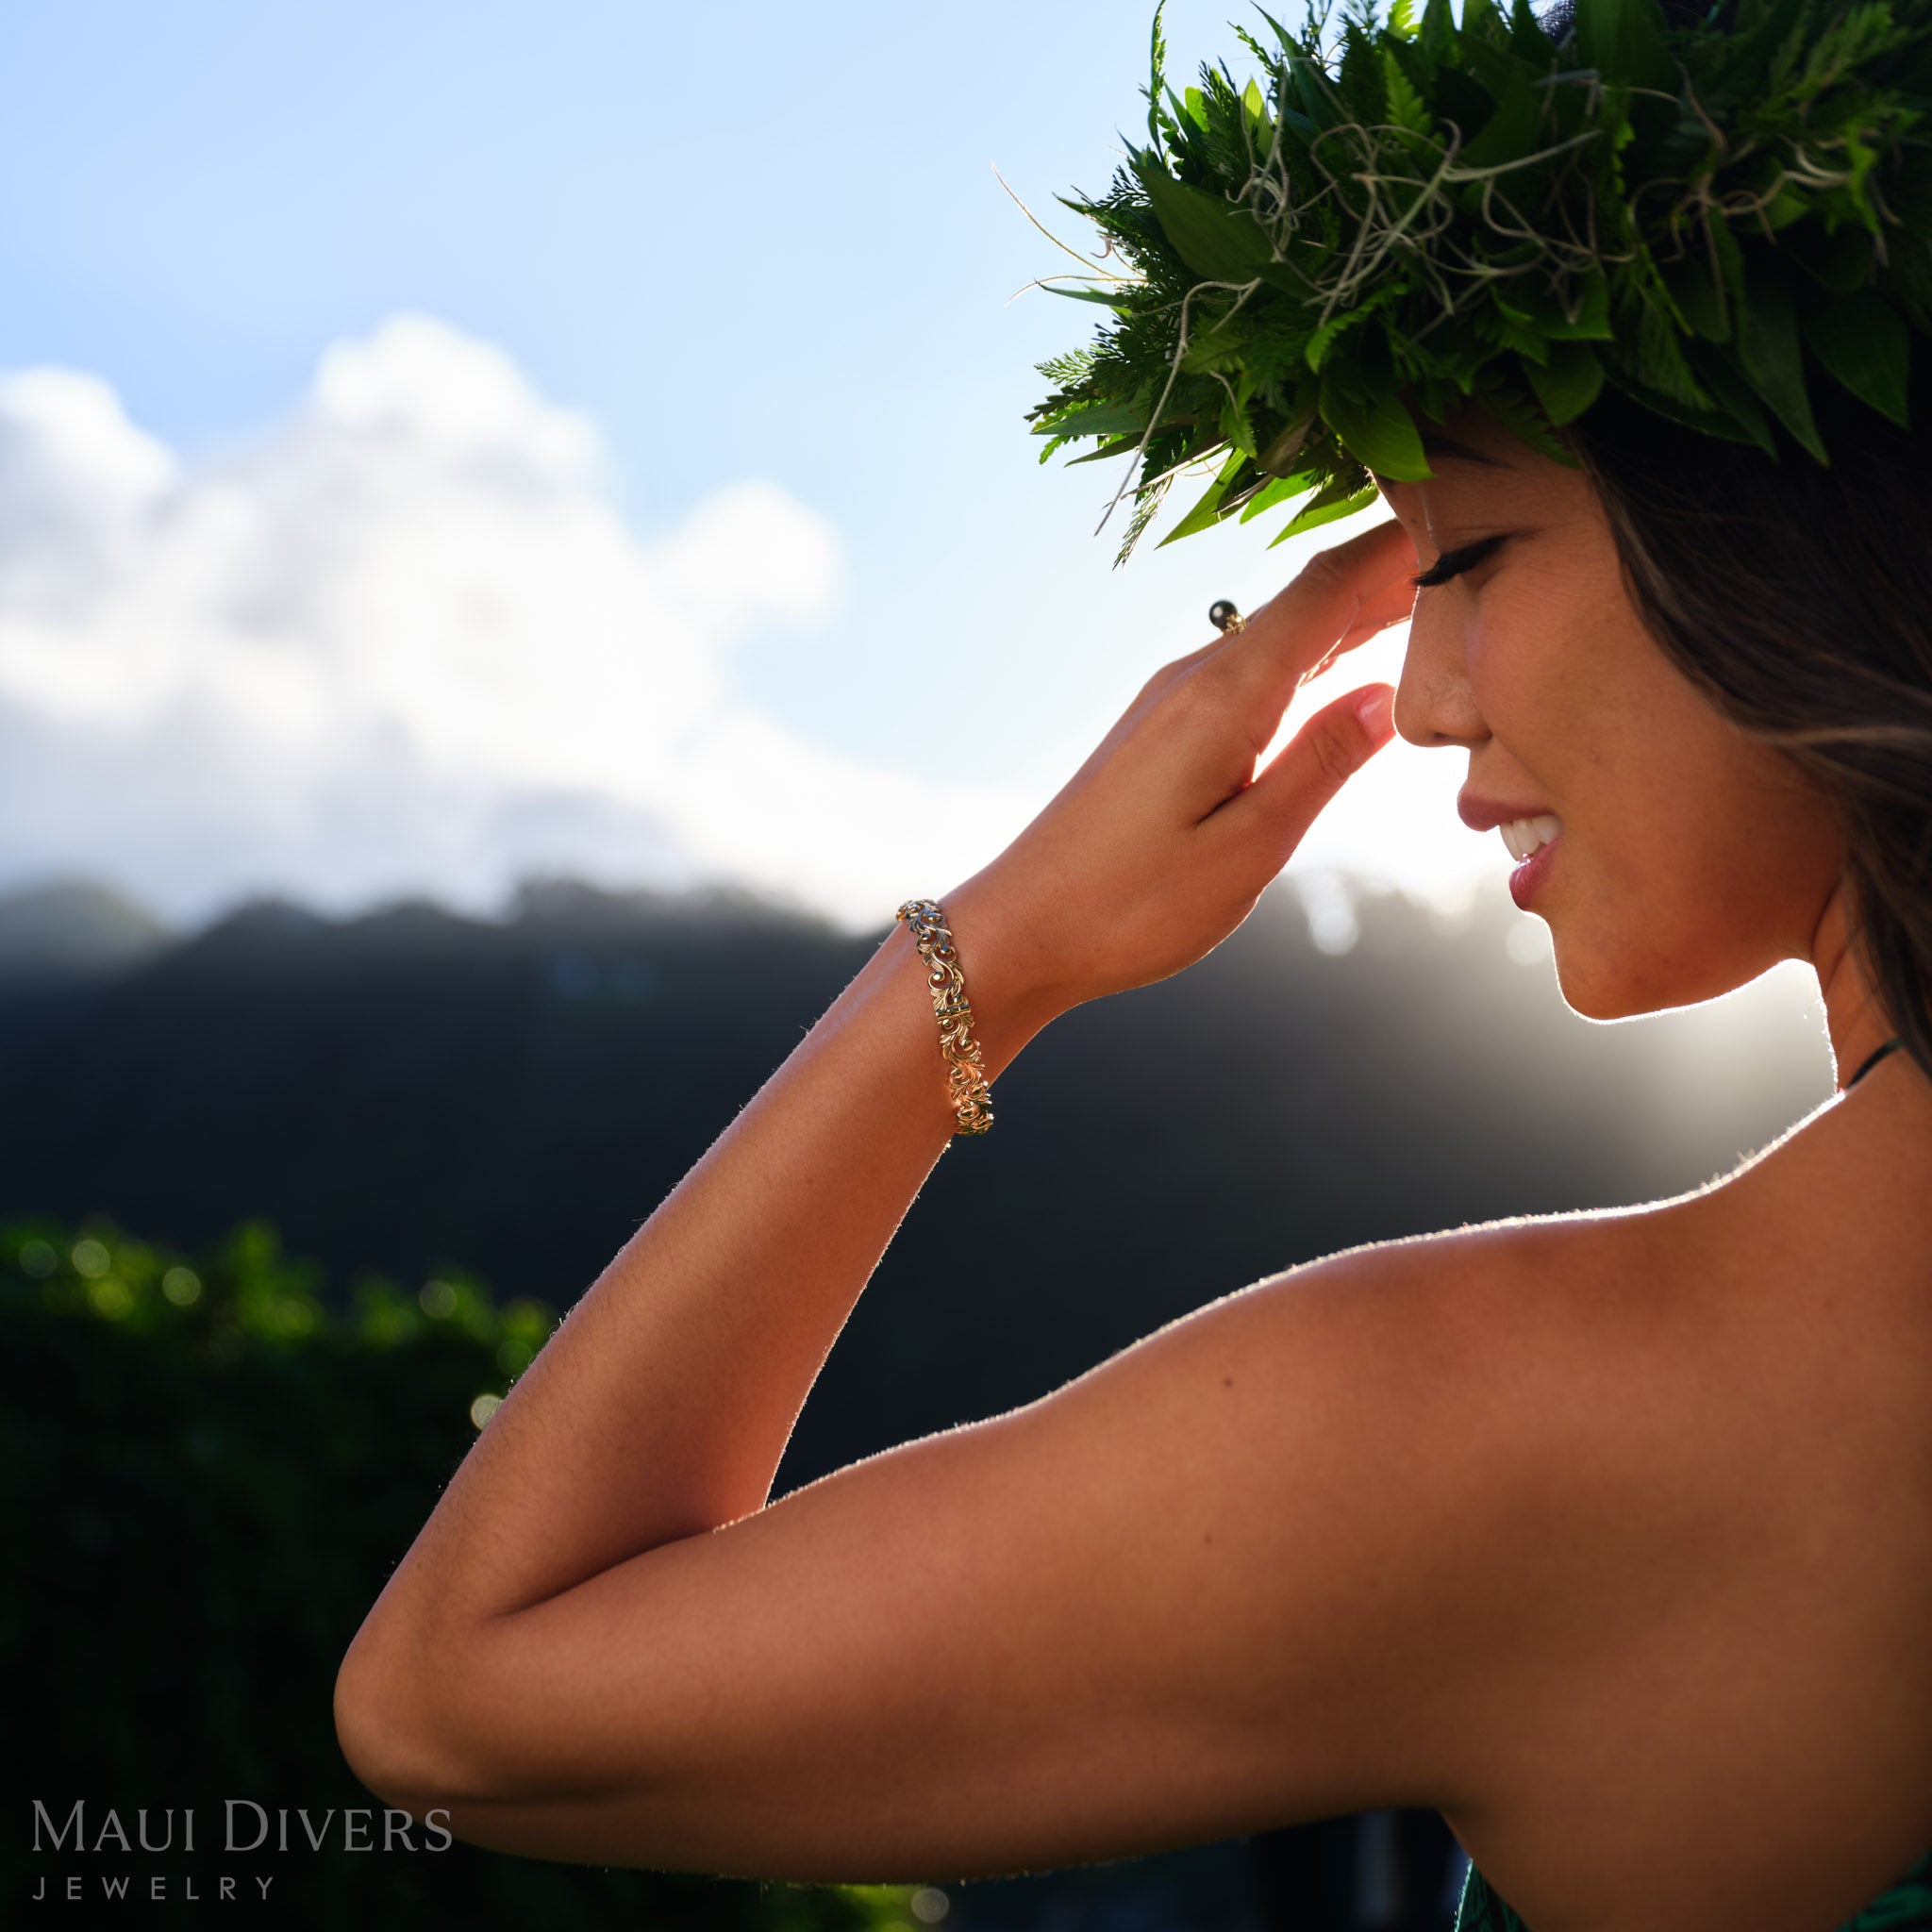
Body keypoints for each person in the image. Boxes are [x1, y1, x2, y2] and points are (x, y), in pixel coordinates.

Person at [334, 1, 1932, 1926]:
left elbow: (461, 1700)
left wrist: (987, 952)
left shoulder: (1515, 1422)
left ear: (1808, 522)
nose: (1419, 699)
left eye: (1471, 552)